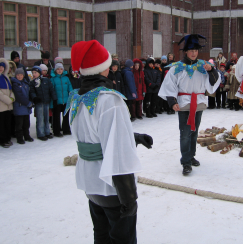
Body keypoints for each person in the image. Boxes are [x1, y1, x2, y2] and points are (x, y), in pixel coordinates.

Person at [66, 40, 153, 244]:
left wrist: (132, 136)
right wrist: (129, 198)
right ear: (103, 68)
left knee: (102, 235)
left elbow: (93, 136)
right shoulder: (109, 100)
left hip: (90, 182)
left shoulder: (78, 98)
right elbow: (117, 153)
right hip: (111, 187)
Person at [158, 34, 220, 175]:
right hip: (184, 104)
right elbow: (170, 85)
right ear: (186, 51)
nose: (194, 53)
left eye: (196, 50)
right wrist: (172, 101)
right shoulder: (177, 68)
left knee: (194, 131)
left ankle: (191, 156)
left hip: (198, 103)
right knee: (185, 133)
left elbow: (214, 82)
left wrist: (212, 70)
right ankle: (186, 162)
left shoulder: (203, 67)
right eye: (191, 50)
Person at [30, 66, 57, 141]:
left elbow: (51, 89)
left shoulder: (46, 80)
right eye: (33, 73)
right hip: (39, 103)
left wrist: (54, 98)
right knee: (40, 118)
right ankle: (40, 133)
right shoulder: (33, 83)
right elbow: (32, 92)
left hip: (46, 101)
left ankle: (47, 132)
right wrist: (35, 98)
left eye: (35, 72)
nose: (34, 74)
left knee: (46, 118)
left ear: (39, 73)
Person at [11, 68, 34, 144]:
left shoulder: (26, 83)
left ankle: (27, 136)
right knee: (19, 124)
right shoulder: (15, 84)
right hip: (19, 107)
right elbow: (19, 96)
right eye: (18, 75)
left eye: (21, 75)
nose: (20, 76)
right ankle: (20, 138)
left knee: (26, 123)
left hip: (26, 108)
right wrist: (28, 103)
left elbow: (29, 93)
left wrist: (31, 101)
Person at [50, 63, 73, 137]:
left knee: (66, 115)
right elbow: (52, 90)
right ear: (55, 70)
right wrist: (54, 98)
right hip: (57, 100)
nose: (59, 71)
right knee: (56, 117)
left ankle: (66, 129)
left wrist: (71, 94)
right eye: (58, 69)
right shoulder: (53, 79)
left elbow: (70, 87)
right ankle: (56, 131)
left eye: (61, 69)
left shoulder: (66, 78)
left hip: (66, 100)